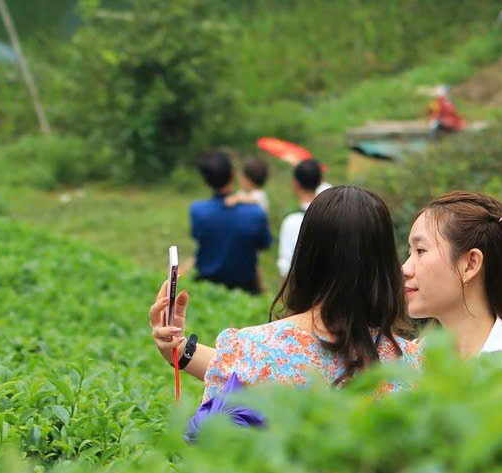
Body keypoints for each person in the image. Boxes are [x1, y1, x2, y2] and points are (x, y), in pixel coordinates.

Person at [152, 185, 416, 397]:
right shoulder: (415, 368)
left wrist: (176, 349)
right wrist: (179, 349)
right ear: (386, 264)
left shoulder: (252, 350)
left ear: (305, 258)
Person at [401, 190, 502, 368]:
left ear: (470, 264)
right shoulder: (407, 364)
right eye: (410, 252)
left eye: (420, 251)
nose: (405, 269)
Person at [189, 149, 271, 294]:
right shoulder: (255, 213)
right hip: (245, 289)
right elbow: (264, 244)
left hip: (207, 286)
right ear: (233, 174)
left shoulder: (197, 211)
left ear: (205, 181)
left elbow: (197, 236)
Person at [276, 157, 332, 278]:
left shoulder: (291, 222)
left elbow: (286, 268)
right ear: (321, 181)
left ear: (295, 183)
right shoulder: (332, 216)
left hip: (303, 289)